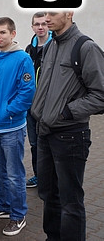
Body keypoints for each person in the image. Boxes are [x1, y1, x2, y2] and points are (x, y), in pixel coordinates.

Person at [31, 12, 104, 241]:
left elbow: (100, 95)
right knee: (48, 194)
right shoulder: (51, 45)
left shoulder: (85, 47)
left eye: (53, 13)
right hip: (45, 132)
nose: (47, 18)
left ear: (70, 13)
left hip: (70, 136)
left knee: (70, 201)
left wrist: (67, 112)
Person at [0, 17, 35, 237]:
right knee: (0, 170)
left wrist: (6, 111)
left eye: (2, 32)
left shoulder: (23, 58)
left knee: (14, 174)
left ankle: (18, 214)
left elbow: (27, 92)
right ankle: (3, 206)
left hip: (11, 127)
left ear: (13, 34)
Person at [24, 12, 53, 188]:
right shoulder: (29, 49)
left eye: (43, 24)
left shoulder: (55, 47)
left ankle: (49, 177)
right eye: (37, 24)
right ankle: (38, 175)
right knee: (34, 143)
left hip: (48, 105)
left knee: (48, 143)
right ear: (32, 26)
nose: (40, 27)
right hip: (30, 106)